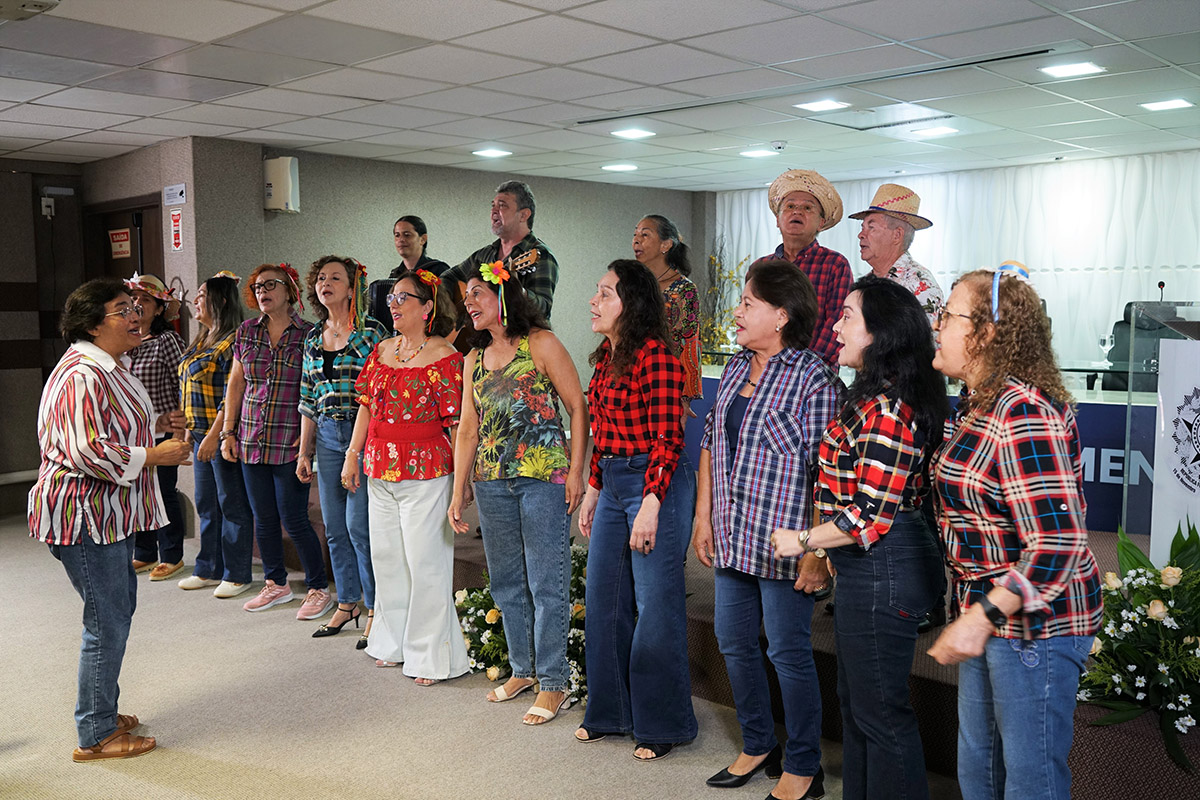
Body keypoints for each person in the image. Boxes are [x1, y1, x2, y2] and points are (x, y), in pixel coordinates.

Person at [926, 262, 1102, 800]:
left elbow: (1059, 541)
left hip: (1035, 627)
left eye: (948, 315)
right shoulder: (978, 403)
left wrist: (982, 616)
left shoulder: (1022, 411)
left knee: (1030, 782)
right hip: (988, 613)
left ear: (985, 334)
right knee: (980, 771)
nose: (937, 325)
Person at [772, 276, 949, 800]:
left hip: (885, 565)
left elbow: (869, 515)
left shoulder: (889, 410)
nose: (835, 325)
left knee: (880, 713)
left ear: (880, 333)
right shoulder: (869, 397)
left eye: (848, 316)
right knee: (859, 707)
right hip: (869, 566)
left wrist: (804, 540)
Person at [691, 259, 840, 800]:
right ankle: (758, 744)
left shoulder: (813, 377)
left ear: (781, 316)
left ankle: (803, 764)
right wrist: (703, 517)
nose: (736, 311)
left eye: (747, 303)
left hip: (787, 543)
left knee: (787, 653)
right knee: (733, 642)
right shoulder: (735, 367)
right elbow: (711, 442)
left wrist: (817, 552)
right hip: (733, 533)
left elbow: (829, 472)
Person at [30, 278, 191, 761]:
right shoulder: (83, 373)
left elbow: (108, 426)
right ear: (94, 324)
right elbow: (86, 449)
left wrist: (156, 425)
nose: (137, 316)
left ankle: (101, 710)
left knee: (114, 614)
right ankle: (95, 733)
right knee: (106, 622)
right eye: (124, 309)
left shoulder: (109, 365)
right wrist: (153, 455)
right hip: (84, 515)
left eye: (136, 307)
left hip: (105, 514)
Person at [447, 262, 588, 724]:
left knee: (546, 582)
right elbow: (467, 429)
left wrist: (576, 472)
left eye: (477, 293)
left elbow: (577, 406)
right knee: (507, 582)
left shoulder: (541, 343)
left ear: (503, 295)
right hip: (492, 481)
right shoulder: (473, 358)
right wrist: (458, 488)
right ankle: (523, 671)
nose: (468, 302)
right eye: (466, 296)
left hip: (542, 476)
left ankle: (554, 682)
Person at [575, 259, 697, 761]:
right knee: (603, 599)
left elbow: (669, 438)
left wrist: (651, 503)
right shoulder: (606, 357)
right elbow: (602, 432)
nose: (594, 301)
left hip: (655, 482)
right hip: (613, 479)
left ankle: (663, 724)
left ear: (632, 303)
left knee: (655, 606)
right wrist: (592, 488)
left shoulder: (658, 358)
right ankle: (611, 713)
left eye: (605, 293)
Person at [344, 268, 470, 685]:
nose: (394, 305)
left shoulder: (446, 357)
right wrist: (352, 455)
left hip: (426, 469)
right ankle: (392, 642)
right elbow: (366, 405)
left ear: (427, 307)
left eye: (403, 298)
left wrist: (462, 482)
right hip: (379, 466)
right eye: (391, 299)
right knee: (387, 559)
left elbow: (458, 424)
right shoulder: (382, 350)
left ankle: (431, 655)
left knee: (425, 562)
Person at [220, 263, 332, 620]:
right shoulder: (246, 331)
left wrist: (308, 444)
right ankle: (275, 583)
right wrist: (228, 432)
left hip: (291, 440)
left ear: (290, 291)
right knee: (263, 518)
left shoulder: (309, 334)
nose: (263, 291)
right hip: (251, 437)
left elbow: (316, 389)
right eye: (257, 287)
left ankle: (318, 588)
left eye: (271, 284)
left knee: (294, 518)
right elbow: (236, 384)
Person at [298, 256, 386, 644]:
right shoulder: (312, 338)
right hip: (327, 437)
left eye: (335, 278)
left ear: (352, 288)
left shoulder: (372, 332)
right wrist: (305, 452)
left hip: (362, 435)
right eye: (321, 278)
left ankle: (375, 606)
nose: (326, 283)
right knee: (334, 529)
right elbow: (307, 399)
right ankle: (347, 602)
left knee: (359, 527)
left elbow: (381, 391)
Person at [176, 271, 255, 599]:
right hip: (198, 432)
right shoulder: (202, 338)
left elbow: (231, 396)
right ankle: (208, 567)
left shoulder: (233, 340)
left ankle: (237, 574)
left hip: (222, 435)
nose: (195, 300)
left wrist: (214, 435)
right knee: (206, 503)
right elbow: (187, 389)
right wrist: (187, 432)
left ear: (221, 301)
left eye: (202, 294)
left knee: (231, 503)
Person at [125, 273, 188, 581]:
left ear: (160, 308)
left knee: (163, 492)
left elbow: (183, 383)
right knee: (136, 492)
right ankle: (145, 552)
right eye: (134, 298)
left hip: (163, 429)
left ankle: (172, 555)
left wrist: (180, 430)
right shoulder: (125, 341)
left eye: (146, 299)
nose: (138, 303)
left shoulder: (167, 340)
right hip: (133, 433)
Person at [765, 169, 852, 368]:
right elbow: (752, 321)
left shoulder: (835, 265)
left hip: (814, 374)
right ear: (777, 220)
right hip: (764, 371)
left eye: (807, 208)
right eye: (790, 206)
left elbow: (838, 323)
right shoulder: (761, 268)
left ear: (821, 222)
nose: (797, 212)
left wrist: (800, 367)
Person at [443, 180, 559, 320]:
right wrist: (451, 308)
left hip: (521, 333)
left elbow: (542, 310)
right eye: (493, 206)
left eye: (502, 206)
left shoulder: (541, 255)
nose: (494, 211)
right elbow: (447, 278)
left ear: (524, 215)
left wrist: (518, 291)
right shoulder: (485, 254)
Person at [848, 184, 943, 326]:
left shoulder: (920, 285)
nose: (861, 235)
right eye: (863, 228)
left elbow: (928, 338)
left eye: (871, 228)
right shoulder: (868, 282)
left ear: (897, 235)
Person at [632, 214, 700, 407]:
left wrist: (685, 398)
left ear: (666, 245)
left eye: (645, 235)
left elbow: (689, 345)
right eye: (635, 234)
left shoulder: (684, 289)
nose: (636, 240)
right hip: (629, 379)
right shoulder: (632, 284)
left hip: (664, 384)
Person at [369, 215, 452, 335]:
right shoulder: (394, 274)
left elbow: (448, 310)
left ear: (423, 239)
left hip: (431, 334)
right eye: (397, 235)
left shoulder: (439, 269)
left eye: (407, 235)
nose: (401, 240)